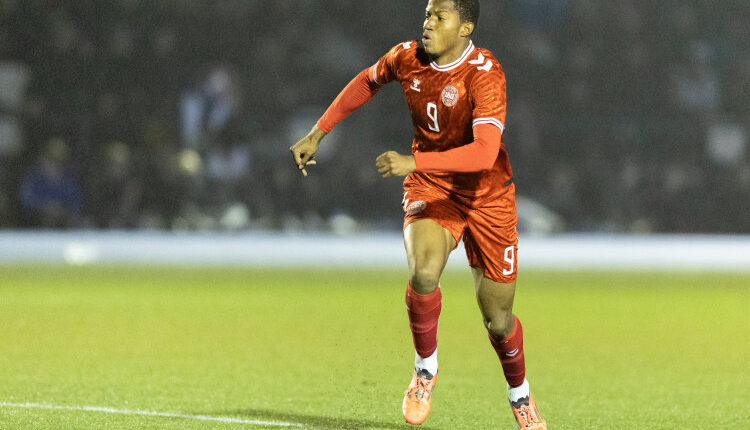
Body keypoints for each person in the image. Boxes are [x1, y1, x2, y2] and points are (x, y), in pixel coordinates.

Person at [290, 1, 546, 428]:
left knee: (498, 321)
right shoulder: (406, 57)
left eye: (439, 17)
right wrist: (319, 132)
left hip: (487, 197)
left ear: (464, 27)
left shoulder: (485, 74)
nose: (428, 23)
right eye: (427, 14)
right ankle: (425, 370)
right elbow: (365, 82)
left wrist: (413, 163)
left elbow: (484, 153)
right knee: (424, 273)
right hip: (433, 189)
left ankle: (520, 396)